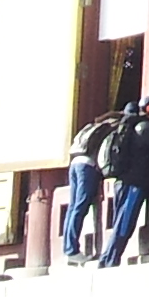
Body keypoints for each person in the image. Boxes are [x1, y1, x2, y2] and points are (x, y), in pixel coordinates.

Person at [97, 98, 149, 267]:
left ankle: (107, 258)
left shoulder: (130, 128)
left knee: (119, 222)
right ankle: (110, 260)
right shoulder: (145, 128)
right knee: (125, 223)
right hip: (135, 183)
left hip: (122, 182)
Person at [60, 110, 114, 262]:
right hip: (88, 166)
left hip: (75, 163)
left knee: (73, 206)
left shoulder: (90, 127)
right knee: (81, 206)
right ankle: (72, 250)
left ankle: (68, 248)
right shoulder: (109, 129)